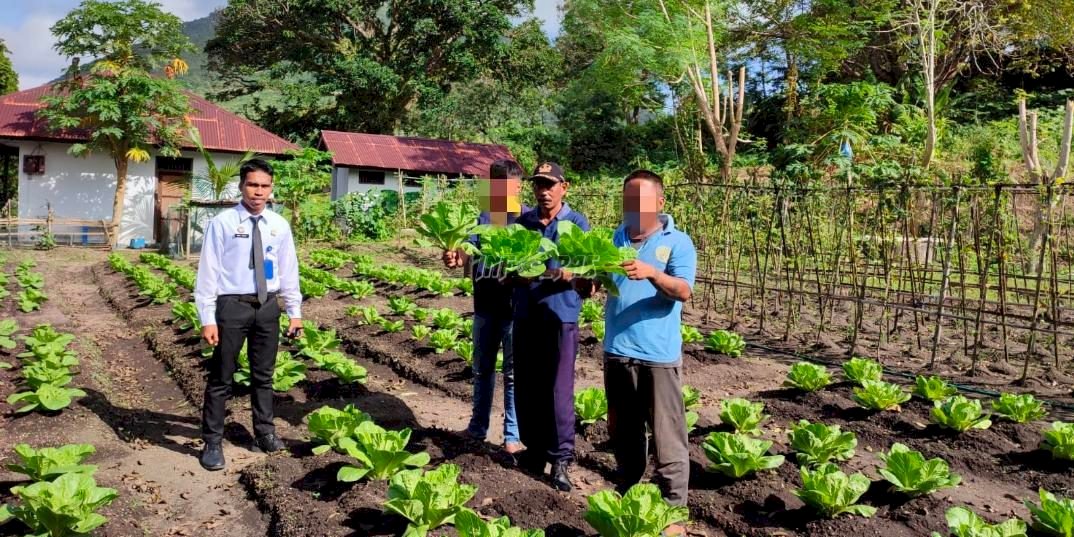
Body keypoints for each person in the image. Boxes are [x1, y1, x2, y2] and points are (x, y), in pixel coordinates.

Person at [194, 158, 303, 471]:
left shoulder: (279, 226)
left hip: (267, 307)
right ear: (241, 187)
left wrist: (294, 311)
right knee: (221, 377)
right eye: (252, 185)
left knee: (263, 375)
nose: (258, 192)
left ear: (272, 189)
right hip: (232, 306)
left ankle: (264, 432)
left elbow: (288, 270)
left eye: (264, 186)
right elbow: (208, 272)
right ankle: (212, 442)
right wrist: (208, 318)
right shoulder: (224, 223)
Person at [603, 169, 696, 515]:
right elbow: (604, 284)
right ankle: (628, 495)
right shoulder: (617, 237)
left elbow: (684, 291)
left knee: (667, 438)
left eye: (641, 199)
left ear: (659, 201)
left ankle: (674, 510)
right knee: (624, 434)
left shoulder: (678, 241)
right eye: (628, 200)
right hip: (616, 352)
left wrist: (653, 273)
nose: (634, 206)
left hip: (657, 356)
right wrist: (586, 283)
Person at [512, 161, 592, 492]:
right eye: (538, 185)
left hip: (561, 316)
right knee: (528, 385)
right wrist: (515, 272)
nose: (543, 191)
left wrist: (573, 273)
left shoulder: (576, 222)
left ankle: (561, 458)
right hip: (527, 313)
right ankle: (534, 449)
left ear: (564, 187)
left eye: (550, 185)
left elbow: (588, 267)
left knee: (558, 390)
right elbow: (508, 266)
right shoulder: (525, 222)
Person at [442, 158, 528, 454]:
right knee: (482, 370)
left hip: (517, 311)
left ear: (518, 187)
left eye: (507, 186)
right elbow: (466, 251)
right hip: (485, 308)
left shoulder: (528, 220)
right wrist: (456, 258)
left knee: (514, 375)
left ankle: (513, 436)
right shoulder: (483, 217)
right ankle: (478, 428)